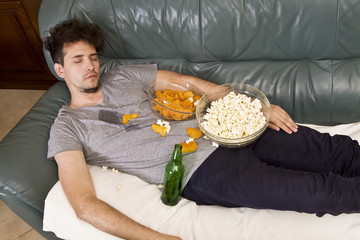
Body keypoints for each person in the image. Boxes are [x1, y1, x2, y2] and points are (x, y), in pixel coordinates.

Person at [43, 19, 360, 240]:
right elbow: (83, 204)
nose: (90, 66)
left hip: (229, 128)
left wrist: (254, 108)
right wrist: (154, 238)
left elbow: (191, 84)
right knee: (320, 192)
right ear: (60, 69)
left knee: (338, 151)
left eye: (93, 57)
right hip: (203, 172)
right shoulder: (67, 127)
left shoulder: (123, 76)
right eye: (77, 60)